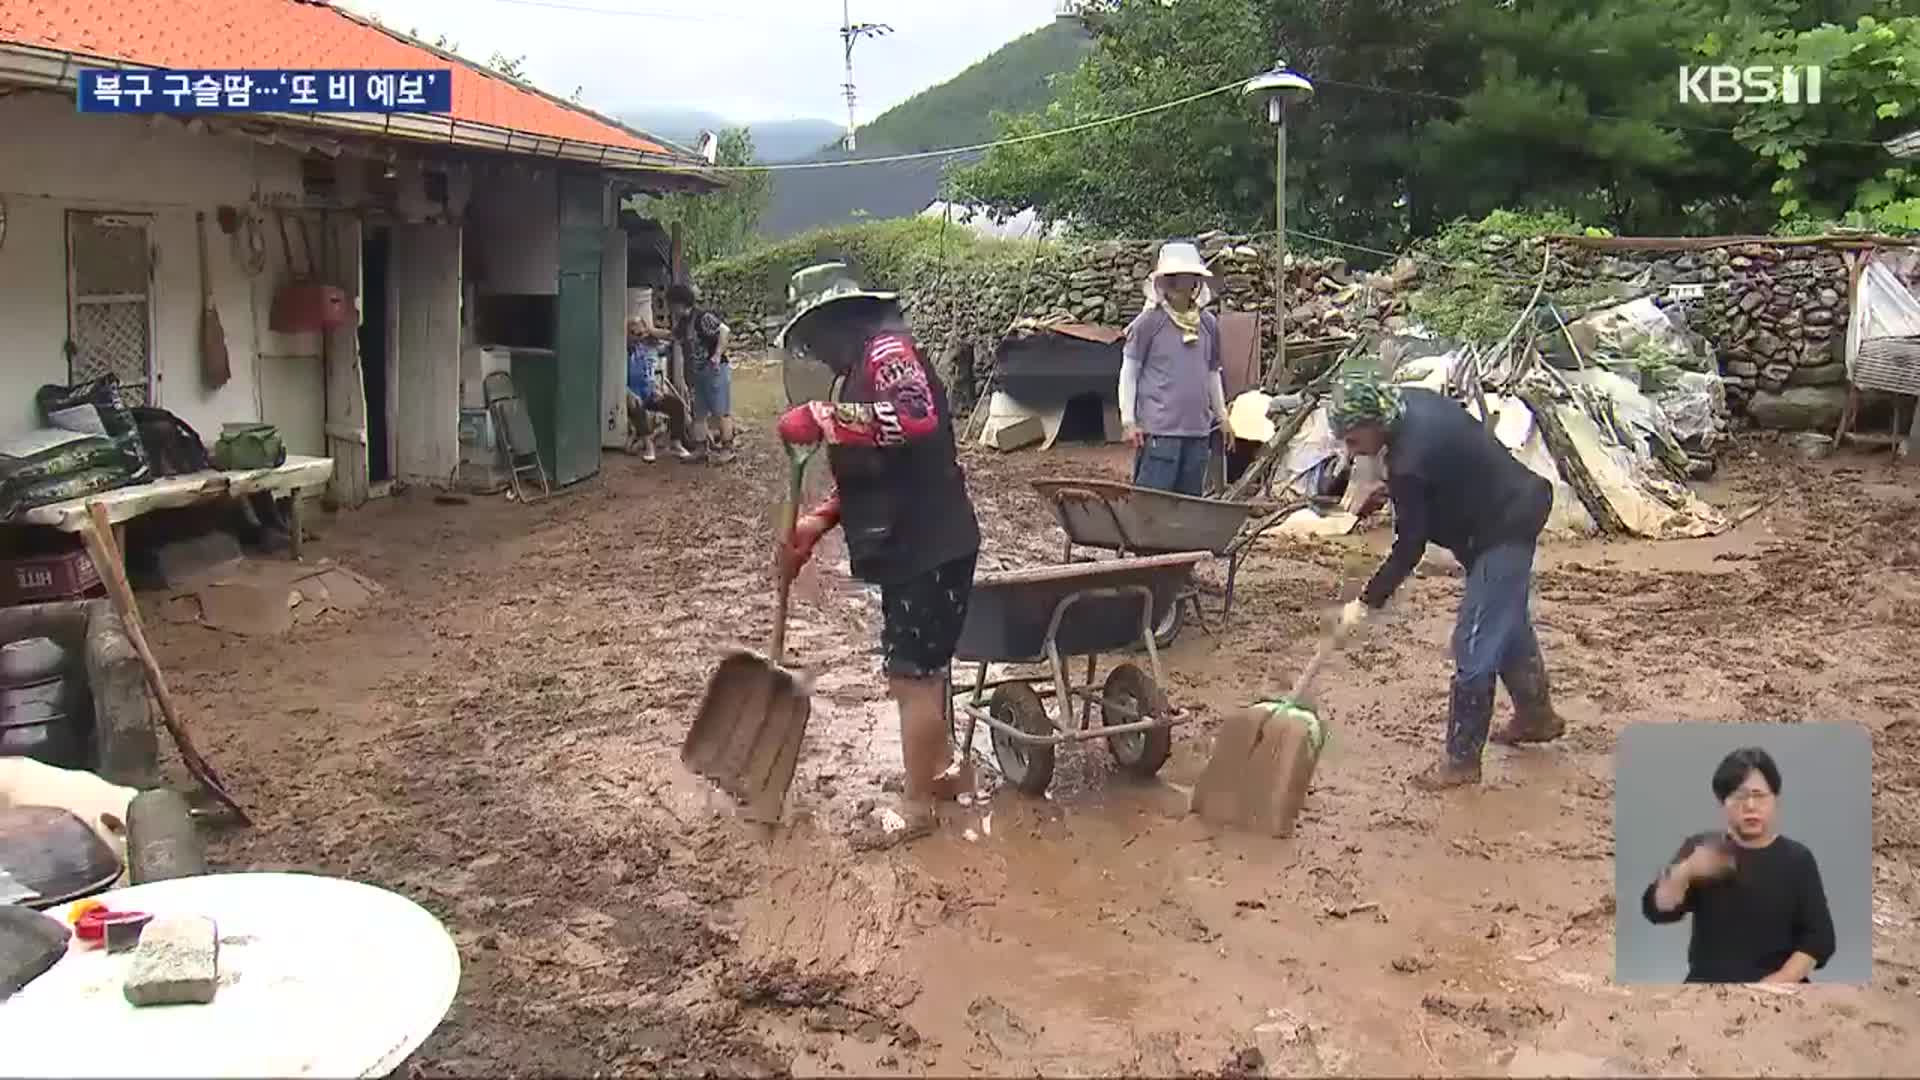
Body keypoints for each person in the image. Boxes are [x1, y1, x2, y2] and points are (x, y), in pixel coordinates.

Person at [771, 262, 981, 851]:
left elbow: (916, 418)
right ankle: (935, 777)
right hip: (924, 539)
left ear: (840, 320)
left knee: (910, 674)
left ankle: (916, 806)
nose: (814, 350)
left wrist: (822, 418)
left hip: (925, 540)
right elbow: (876, 467)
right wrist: (818, 521)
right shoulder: (862, 368)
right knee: (926, 668)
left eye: (815, 337)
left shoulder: (887, 351)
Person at [1331, 370, 1564, 789]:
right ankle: (1536, 716)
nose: (1350, 451)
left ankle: (1461, 761)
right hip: (1508, 502)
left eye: (1352, 439)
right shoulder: (1409, 403)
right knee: (1503, 619)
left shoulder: (1408, 461)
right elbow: (1447, 466)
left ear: (1374, 422)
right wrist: (1395, 493)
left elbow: (1410, 546)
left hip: (1503, 526)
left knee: (1474, 643)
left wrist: (1367, 602)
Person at [1641, 747, 1837, 983]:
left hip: (1780, 992)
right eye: (1740, 796)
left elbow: (1819, 939)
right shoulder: (1702, 847)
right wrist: (1686, 871)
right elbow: (1657, 910)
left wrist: (1779, 982)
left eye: (1759, 795)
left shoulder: (1797, 859)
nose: (1751, 805)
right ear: (1723, 803)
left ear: (1775, 799)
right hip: (1710, 990)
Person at [1119, 241, 1231, 496]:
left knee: (1187, 505)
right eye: (1177, 278)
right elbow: (1130, 372)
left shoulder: (1208, 324)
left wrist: (1222, 416)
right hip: (1160, 433)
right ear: (1165, 282)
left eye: (1190, 277)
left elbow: (1212, 372)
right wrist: (1129, 421)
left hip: (1198, 432)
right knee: (1152, 504)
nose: (1184, 284)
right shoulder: (1148, 323)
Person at [666, 284, 735, 464]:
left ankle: (728, 448)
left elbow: (724, 331)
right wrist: (648, 331)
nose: (671, 309)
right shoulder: (683, 324)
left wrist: (717, 355)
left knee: (721, 411)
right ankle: (700, 448)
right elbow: (671, 336)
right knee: (699, 413)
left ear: (680, 303)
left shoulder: (702, 317)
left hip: (714, 370)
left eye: (672, 305)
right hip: (697, 374)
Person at [626, 319, 692, 463]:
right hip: (632, 394)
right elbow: (617, 380)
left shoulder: (648, 348)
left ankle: (676, 443)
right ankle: (649, 446)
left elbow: (672, 339)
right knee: (637, 405)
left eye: (641, 333)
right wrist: (628, 393)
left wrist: (657, 388)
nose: (638, 337)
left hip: (648, 393)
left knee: (676, 405)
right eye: (634, 334)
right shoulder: (623, 352)